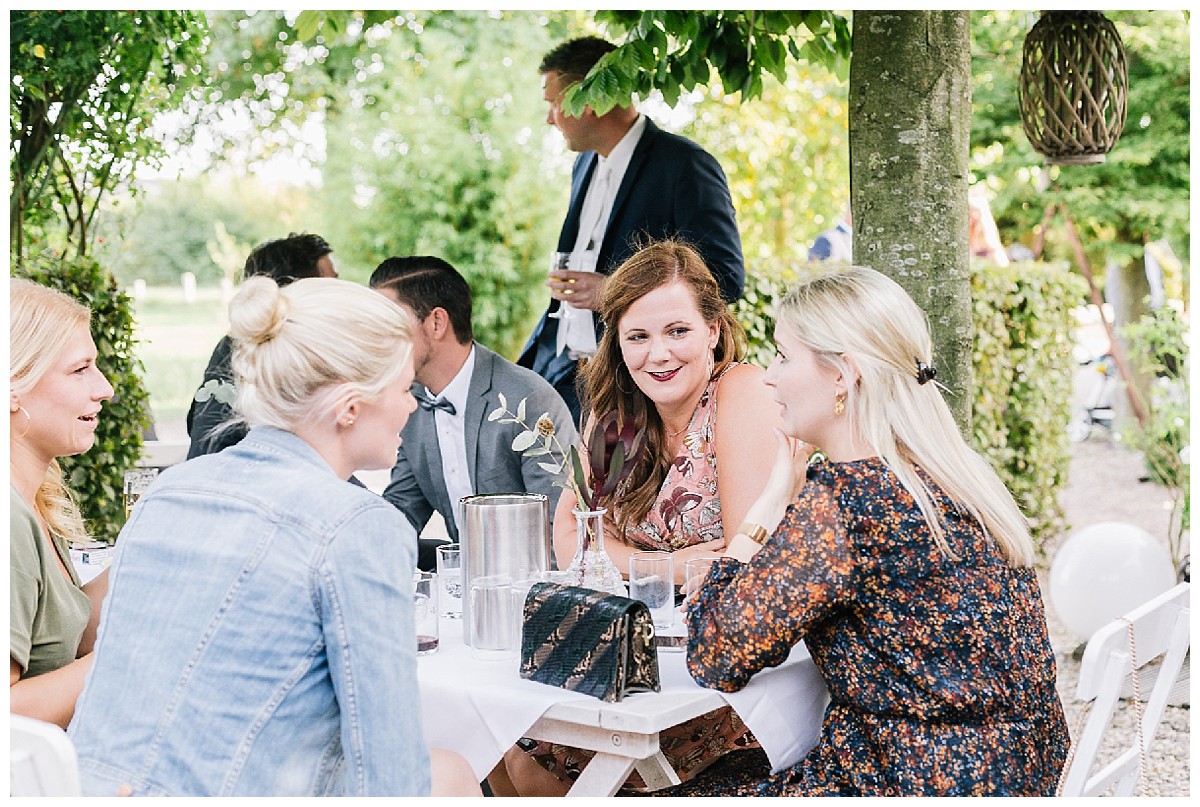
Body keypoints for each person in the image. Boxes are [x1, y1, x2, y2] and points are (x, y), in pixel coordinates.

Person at [68, 277, 480, 797]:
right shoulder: (359, 525)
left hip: (78, 787)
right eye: (404, 389)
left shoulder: (170, 489)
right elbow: (389, 768)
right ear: (350, 407)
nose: (414, 406)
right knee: (447, 773)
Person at [678, 266, 1070, 796]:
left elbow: (715, 652)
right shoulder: (951, 478)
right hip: (1015, 777)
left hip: (908, 780)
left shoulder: (848, 502)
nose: (768, 377)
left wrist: (771, 500)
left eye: (783, 356)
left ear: (842, 374)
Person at [496, 240, 781, 796]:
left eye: (678, 330)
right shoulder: (616, 415)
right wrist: (673, 565)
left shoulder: (742, 394)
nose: (658, 355)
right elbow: (571, 542)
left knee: (536, 762)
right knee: (505, 746)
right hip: (627, 653)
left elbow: (745, 565)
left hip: (721, 667)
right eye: (638, 337)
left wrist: (627, 562)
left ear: (714, 331)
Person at [518, 36, 745, 422]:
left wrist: (611, 291)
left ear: (588, 97)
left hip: (632, 387)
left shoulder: (685, 165)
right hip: (562, 375)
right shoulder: (583, 166)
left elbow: (725, 277)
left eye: (553, 104)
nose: (549, 118)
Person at [370, 256, 578, 571]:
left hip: (529, 588)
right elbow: (402, 510)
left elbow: (557, 534)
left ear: (436, 323)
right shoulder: (411, 403)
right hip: (461, 584)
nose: (376, 340)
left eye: (387, 324)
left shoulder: (528, 400)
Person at [10, 279, 115, 729]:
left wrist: (147, 547)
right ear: (12, 386)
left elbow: (67, 639)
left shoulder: (32, 500)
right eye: (80, 370)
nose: (105, 389)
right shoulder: (9, 518)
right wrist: (127, 656)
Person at [186, 232, 337, 459]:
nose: (340, 295)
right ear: (299, 288)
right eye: (331, 284)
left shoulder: (234, 345)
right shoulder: (284, 351)